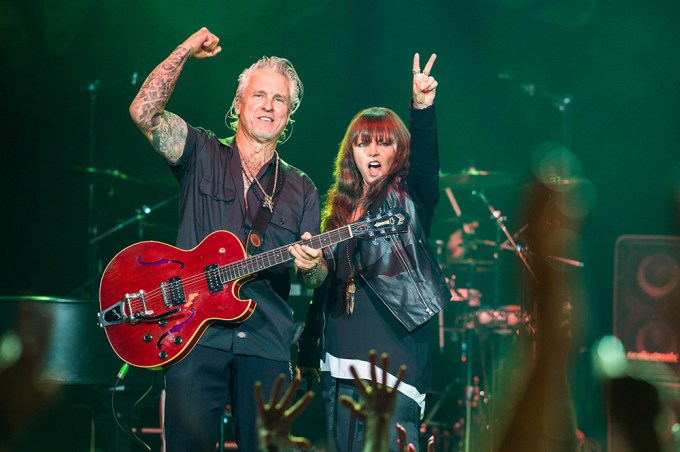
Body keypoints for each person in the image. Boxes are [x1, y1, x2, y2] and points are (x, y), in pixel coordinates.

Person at [128, 27, 327, 451]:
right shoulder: (199, 151)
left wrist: (313, 267)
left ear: (289, 115)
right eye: (259, 95)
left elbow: (315, 277)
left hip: (266, 340)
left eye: (280, 100)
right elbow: (143, 113)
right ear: (238, 104)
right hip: (193, 333)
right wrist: (184, 51)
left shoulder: (302, 188)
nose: (268, 106)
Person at [298, 53, 451, 451]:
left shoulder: (410, 199)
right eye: (363, 142)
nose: (373, 150)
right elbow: (322, 284)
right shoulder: (337, 209)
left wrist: (422, 107)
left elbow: (427, 167)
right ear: (352, 151)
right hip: (339, 362)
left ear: (398, 149)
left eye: (383, 142)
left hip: (394, 364)